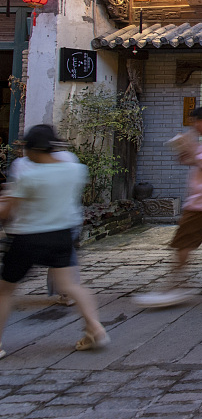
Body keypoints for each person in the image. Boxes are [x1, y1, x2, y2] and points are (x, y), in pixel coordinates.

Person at [0, 125, 108, 359]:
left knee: (5, 291)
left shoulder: (28, 176)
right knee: (70, 286)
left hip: (27, 237)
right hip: (61, 235)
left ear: (34, 149)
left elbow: (7, 212)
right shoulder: (76, 170)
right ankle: (95, 327)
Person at [134, 107, 202, 307]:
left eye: (195, 123)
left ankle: (174, 287)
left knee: (183, 242)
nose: (194, 128)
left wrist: (188, 144)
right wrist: (189, 154)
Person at [6, 142, 80, 306]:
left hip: (33, 226)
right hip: (65, 221)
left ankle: (67, 292)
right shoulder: (70, 161)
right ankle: (68, 293)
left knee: (8, 281)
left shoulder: (22, 165)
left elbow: (15, 197)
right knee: (64, 261)